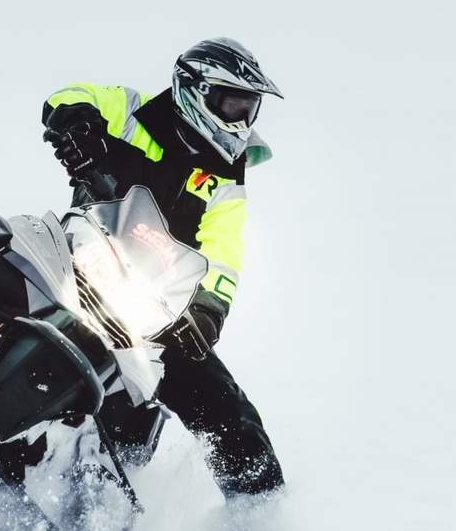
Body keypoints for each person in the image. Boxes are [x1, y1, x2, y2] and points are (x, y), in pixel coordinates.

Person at [41, 38, 285, 497]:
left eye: (247, 108)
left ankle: (260, 515)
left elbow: (223, 252)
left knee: (220, 401)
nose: (238, 117)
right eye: (231, 102)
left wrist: (208, 310)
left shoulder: (225, 177)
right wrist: (77, 126)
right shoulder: (133, 112)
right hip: (78, 261)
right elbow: (69, 96)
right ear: (196, 89)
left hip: (152, 302)